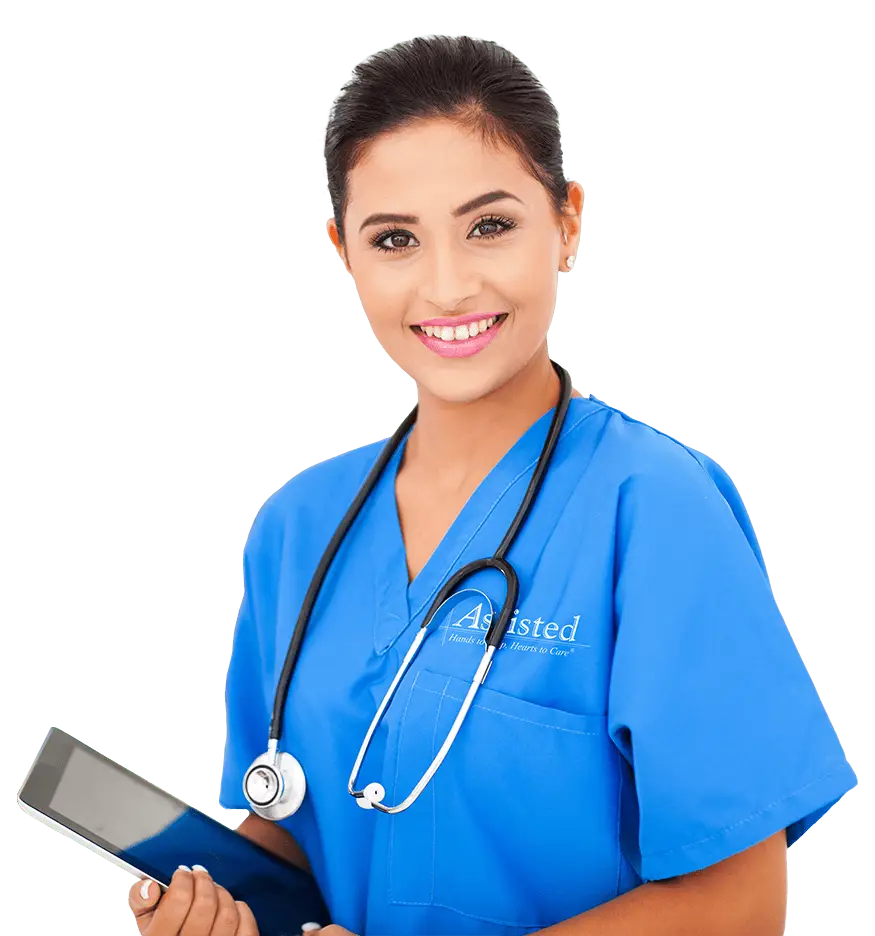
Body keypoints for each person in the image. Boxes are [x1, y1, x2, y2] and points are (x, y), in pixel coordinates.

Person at [128, 31, 857, 936]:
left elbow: (738, 909)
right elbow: (300, 828)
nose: (446, 285)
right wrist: (218, 910)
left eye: (489, 225)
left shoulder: (655, 509)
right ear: (344, 254)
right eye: (394, 239)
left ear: (567, 223)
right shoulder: (298, 528)